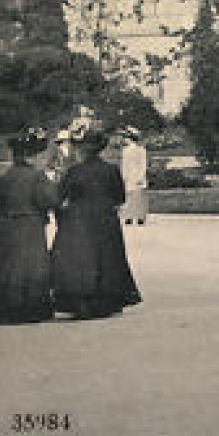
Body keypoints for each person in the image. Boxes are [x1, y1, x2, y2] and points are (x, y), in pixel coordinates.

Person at [50, 117, 141, 320]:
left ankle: (82, 299)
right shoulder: (111, 170)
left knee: (82, 258)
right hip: (105, 217)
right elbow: (120, 197)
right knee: (106, 257)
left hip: (79, 219)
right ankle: (107, 299)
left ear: (81, 149)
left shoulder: (74, 171)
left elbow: (59, 196)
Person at [0, 127, 59, 324]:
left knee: (4, 266)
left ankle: (0, 309)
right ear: (32, 156)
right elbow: (50, 200)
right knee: (30, 266)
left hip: (6, 227)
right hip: (30, 227)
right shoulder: (37, 176)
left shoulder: (2, 176)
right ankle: (29, 310)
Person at [118, 127, 150, 226]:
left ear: (130, 138)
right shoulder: (142, 150)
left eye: (126, 137)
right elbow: (144, 165)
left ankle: (129, 217)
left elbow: (124, 166)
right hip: (138, 175)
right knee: (139, 197)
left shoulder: (126, 151)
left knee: (130, 197)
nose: (124, 140)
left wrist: (123, 177)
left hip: (131, 176)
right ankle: (139, 217)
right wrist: (141, 176)